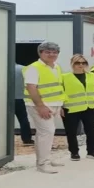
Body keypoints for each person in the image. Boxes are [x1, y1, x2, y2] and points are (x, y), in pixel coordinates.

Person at [23, 41, 66, 174]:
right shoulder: (34, 68)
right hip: (39, 106)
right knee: (46, 132)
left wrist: (61, 104)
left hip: (54, 104)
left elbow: (58, 86)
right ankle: (42, 164)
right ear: (40, 53)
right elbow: (31, 88)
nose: (52, 54)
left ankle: (46, 159)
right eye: (47, 52)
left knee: (48, 133)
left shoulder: (56, 66)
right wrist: (41, 106)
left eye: (54, 52)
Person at [60, 54, 94, 161]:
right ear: (72, 64)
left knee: (92, 130)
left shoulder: (91, 76)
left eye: (83, 63)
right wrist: (60, 106)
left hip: (90, 107)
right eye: (77, 63)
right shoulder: (64, 77)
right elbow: (61, 92)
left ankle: (92, 151)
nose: (81, 65)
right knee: (71, 132)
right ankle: (74, 153)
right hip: (71, 108)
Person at [14, 63, 34, 145]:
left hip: (4, 99)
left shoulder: (1, 69)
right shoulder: (22, 68)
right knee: (23, 119)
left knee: (2, 120)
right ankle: (27, 139)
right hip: (19, 98)